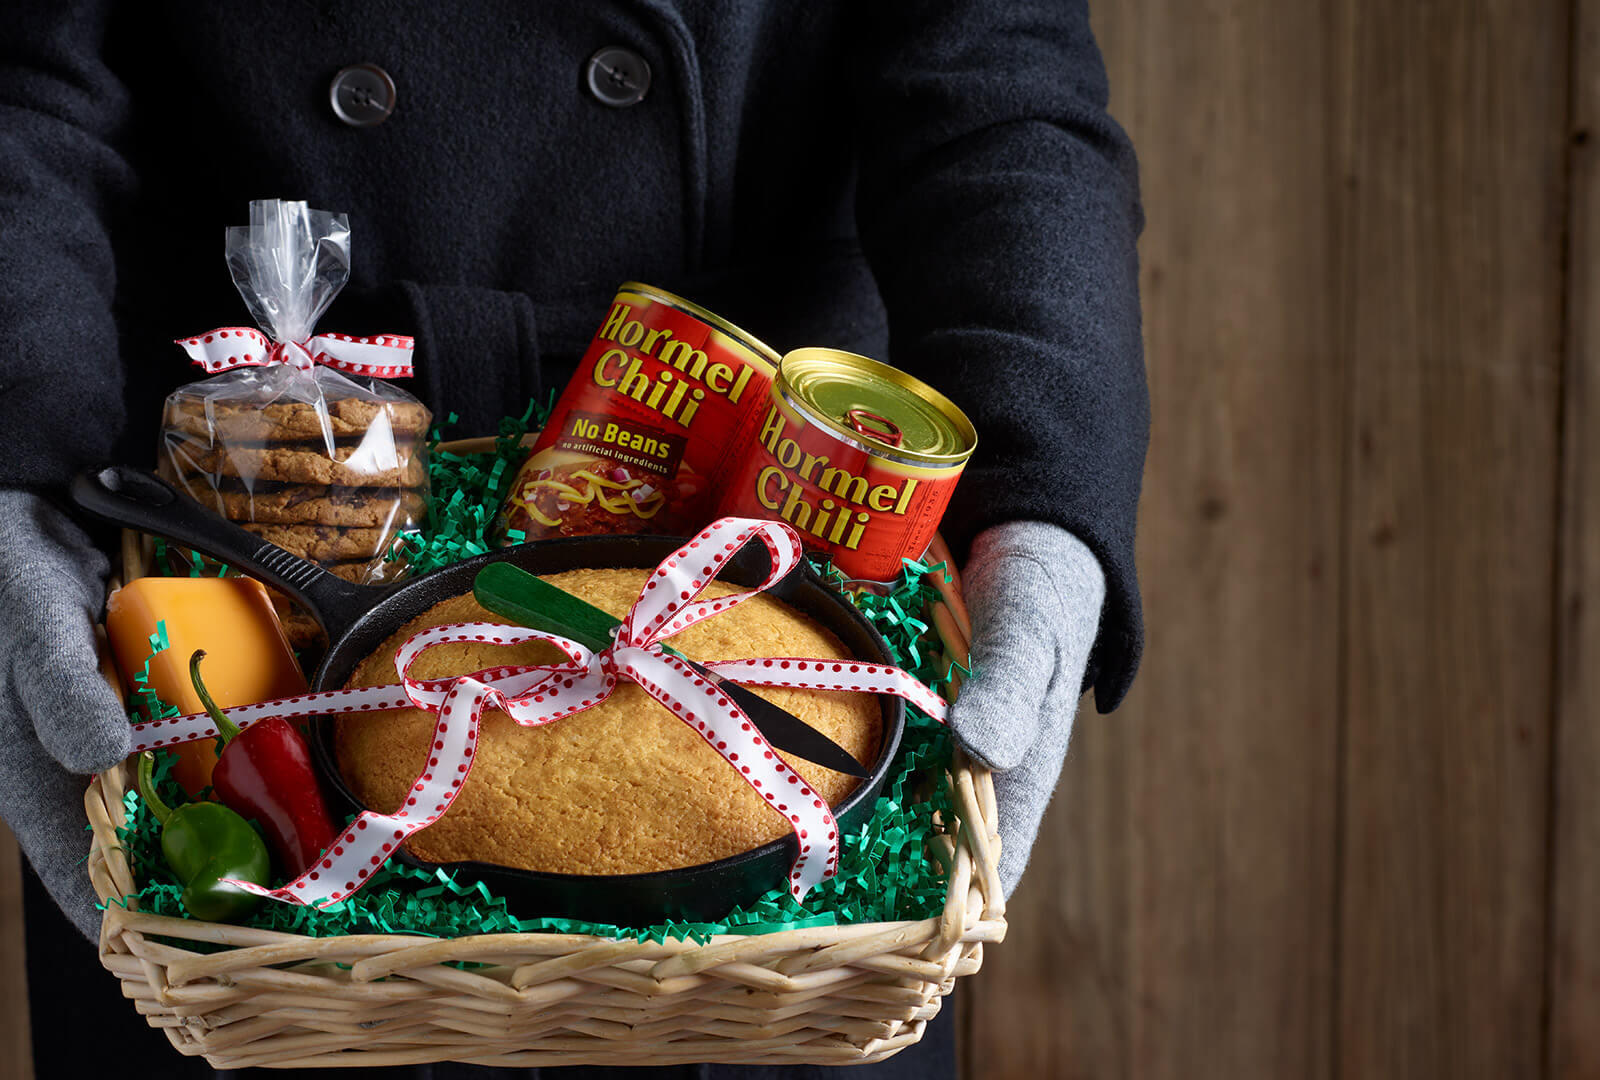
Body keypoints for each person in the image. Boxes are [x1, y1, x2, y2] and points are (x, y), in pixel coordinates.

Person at [0, 1, 1146, 1077]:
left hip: (766, 485)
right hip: (212, 461)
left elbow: (1000, 91)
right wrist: (10, 471)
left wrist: (1038, 500)